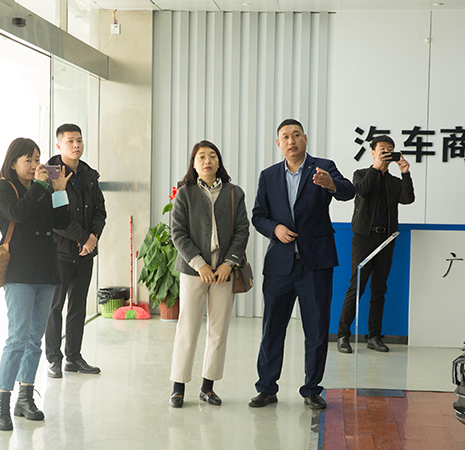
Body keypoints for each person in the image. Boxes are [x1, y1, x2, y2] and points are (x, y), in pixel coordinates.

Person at [249, 119, 355, 410]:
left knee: (316, 331)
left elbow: (348, 191)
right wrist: (275, 229)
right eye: (285, 136)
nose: (291, 140)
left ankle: (312, 390)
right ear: (278, 143)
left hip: (316, 264)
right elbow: (258, 215)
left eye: (296, 135)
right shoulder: (268, 176)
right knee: (272, 329)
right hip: (280, 266)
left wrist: (330, 184)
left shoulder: (323, 167)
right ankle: (266, 388)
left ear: (305, 139)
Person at [0, 138, 71, 431]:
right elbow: (17, 213)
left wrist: (59, 192)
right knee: (17, 338)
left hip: (46, 271)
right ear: (13, 163)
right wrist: (39, 185)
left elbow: (62, 221)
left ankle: (25, 397)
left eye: (38, 159)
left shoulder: (45, 188)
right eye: (29, 160)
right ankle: (1, 401)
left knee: (35, 338)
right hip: (20, 273)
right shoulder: (4, 187)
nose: (36, 165)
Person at [168, 140, 250, 408]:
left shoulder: (234, 193)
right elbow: (177, 233)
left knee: (218, 330)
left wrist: (229, 263)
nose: (207, 160)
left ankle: (208, 387)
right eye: (201, 156)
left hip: (224, 273)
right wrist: (199, 264)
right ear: (194, 164)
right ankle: (178, 387)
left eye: (212, 156)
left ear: (219, 162)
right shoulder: (185, 193)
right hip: (194, 272)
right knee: (187, 329)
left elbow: (242, 230)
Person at [336, 135, 414, 354]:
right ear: (373, 153)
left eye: (390, 149)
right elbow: (361, 191)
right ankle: (343, 335)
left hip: (386, 239)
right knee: (357, 286)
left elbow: (407, 199)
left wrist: (405, 173)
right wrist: (376, 168)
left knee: (379, 289)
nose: (386, 152)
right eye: (382, 149)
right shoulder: (361, 174)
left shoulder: (394, 181)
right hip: (363, 237)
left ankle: (374, 336)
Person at [44, 124, 106, 378]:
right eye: (70, 141)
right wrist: (84, 238)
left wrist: (93, 238)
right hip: (58, 252)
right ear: (59, 145)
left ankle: (73, 357)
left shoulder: (89, 174)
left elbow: (100, 211)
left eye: (79, 140)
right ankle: (53, 359)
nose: (76, 145)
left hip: (84, 253)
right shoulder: (49, 174)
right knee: (55, 307)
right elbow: (53, 218)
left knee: (78, 307)